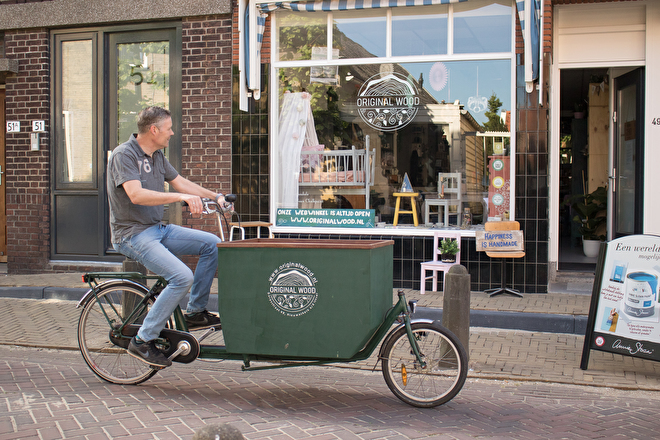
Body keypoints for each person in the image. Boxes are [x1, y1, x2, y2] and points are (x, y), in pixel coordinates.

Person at [107, 106, 226, 368]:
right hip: (133, 235)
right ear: (154, 130)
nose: (172, 133)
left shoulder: (157, 155)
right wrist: (180, 198)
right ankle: (142, 340)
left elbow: (180, 182)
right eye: (169, 128)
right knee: (182, 276)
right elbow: (136, 195)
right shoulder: (123, 155)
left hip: (156, 228)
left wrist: (215, 196)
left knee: (212, 245)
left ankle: (195, 312)